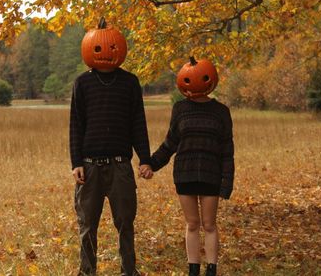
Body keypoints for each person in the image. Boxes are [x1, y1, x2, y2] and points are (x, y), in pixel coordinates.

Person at [70, 17, 152, 276]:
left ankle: (129, 270)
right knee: (87, 225)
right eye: (98, 48)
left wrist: (145, 158)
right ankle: (87, 271)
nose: (105, 52)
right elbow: (76, 125)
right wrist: (76, 163)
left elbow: (138, 123)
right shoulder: (82, 83)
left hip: (120, 166)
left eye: (111, 47)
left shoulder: (130, 82)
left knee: (126, 222)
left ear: (120, 48)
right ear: (89, 50)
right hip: (90, 166)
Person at [140, 56, 234, 276]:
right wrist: (151, 164)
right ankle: (193, 268)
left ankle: (211, 269)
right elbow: (170, 143)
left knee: (209, 224)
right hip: (185, 174)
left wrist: (226, 183)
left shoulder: (221, 112)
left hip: (211, 174)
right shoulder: (180, 109)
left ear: (210, 80)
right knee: (192, 224)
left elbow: (227, 151)